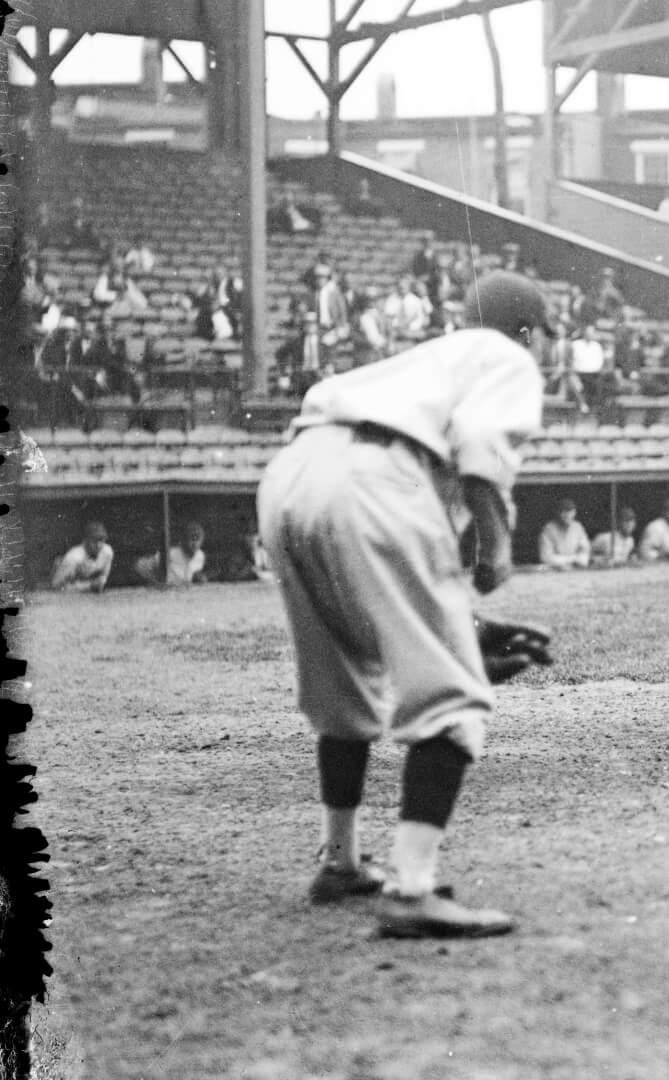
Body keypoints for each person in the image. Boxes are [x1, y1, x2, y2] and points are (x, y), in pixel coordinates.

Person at [255, 270, 551, 939]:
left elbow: (394, 602)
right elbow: (479, 451)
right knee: (453, 696)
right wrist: (496, 553)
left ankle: (341, 863)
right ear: (528, 331)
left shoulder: (420, 361)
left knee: (347, 672)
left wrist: (459, 623)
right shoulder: (506, 354)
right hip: (379, 479)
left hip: (292, 476)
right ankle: (412, 890)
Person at [134, 521, 208, 588]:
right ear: (184, 539)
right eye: (192, 538)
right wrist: (155, 582)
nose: (194, 543)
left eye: (197, 539)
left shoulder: (200, 556)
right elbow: (140, 565)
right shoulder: (171, 554)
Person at [51, 521, 113, 593]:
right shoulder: (74, 557)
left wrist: (98, 583)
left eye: (101, 540)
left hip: (84, 588)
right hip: (66, 589)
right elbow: (55, 585)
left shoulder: (107, 552)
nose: (98, 545)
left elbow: (102, 579)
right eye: (94, 541)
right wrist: (89, 586)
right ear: (85, 541)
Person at [537, 498, 593, 570]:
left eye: (570, 512)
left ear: (574, 513)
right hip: (554, 571)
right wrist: (573, 559)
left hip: (575, 570)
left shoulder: (578, 527)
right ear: (557, 512)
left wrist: (581, 558)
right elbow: (545, 557)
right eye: (564, 512)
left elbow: (586, 551)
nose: (567, 515)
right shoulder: (548, 529)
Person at [639, 498, 669, 562]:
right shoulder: (654, 527)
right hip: (653, 564)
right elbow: (643, 552)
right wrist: (661, 554)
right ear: (664, 512)